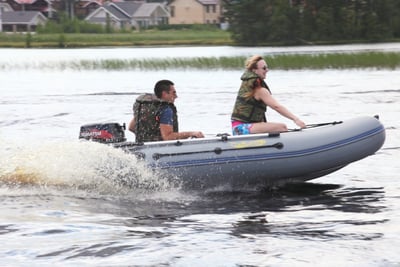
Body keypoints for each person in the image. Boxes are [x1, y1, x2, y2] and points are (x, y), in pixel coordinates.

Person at [231, 55, 306, 135]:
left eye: (267, 67)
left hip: (238, 127)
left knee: (273, 127)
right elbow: (277, 107)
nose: (267, 70)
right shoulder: (259, 90)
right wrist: (296, 119)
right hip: (240, 128)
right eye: (264, 68)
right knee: (282, 127)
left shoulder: (249, 85)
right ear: (254, 70)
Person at [129, 79, 204, 142]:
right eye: (173, 93)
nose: (176, 96)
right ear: (165, 94)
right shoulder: (166, 109)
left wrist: (148, 138)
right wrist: (192, 133)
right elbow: (167, 137)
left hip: (142, 146)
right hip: (160, 150)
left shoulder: (145, 105)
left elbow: (131, 127)